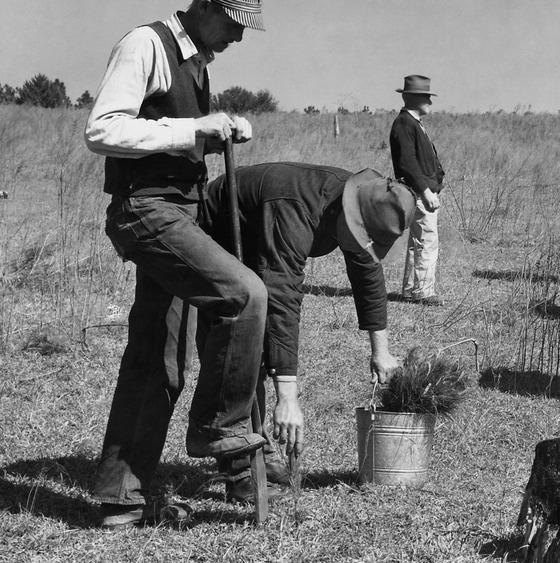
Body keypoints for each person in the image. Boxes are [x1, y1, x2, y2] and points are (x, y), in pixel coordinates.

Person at [84, 0, 266, 528]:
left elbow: (183, 127)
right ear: (206, 5)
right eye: (234, 22)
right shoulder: (146, 45)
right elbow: (102, 131)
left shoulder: (196, 60)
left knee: (157, 356)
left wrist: (217, 127)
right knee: (244, 294)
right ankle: (217, 428)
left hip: (177, 213)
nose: (239, 35)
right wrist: (190, 131)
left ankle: (121, 495)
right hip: (145, 209)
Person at [201, 163, 412, 502]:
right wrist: (289, 399)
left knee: (257, 343)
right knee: (239, 349)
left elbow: (368, 277)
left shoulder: (362, 201)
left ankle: (257, 450)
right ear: (349, 215)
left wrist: (380, 349)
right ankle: (240, 469)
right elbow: (282, 296)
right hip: (216, 232)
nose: (361, 246)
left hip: (260, 240)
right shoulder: (296, 210)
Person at [391, 75, 446, 306]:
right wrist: (425, 191)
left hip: (419, 192)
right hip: (418, 194)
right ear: (414, 98)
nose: (430, 102)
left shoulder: (410, 123)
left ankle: (411, 290)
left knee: (418, 241)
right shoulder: (405, 123)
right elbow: (407, 164)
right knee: (426, 241)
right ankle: (423, 292)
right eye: (426, 97)